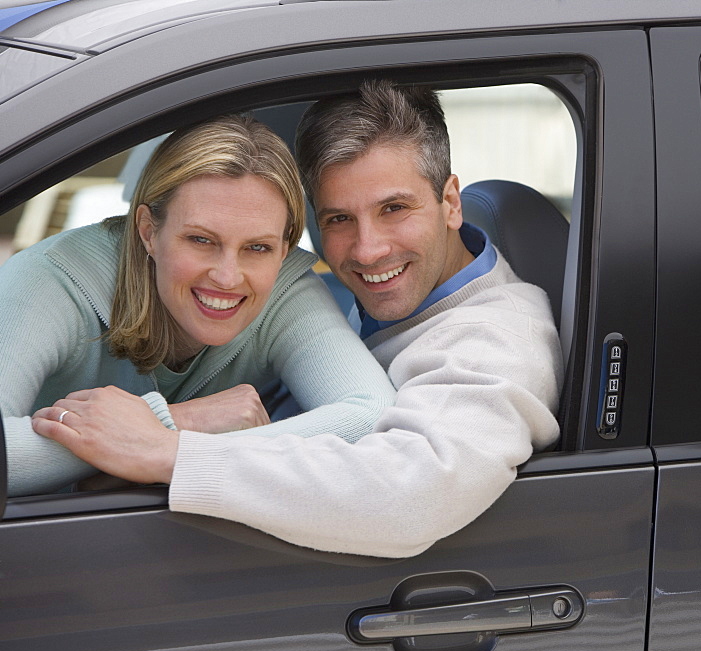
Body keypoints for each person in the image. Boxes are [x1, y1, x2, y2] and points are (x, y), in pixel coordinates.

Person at [33, 80, 563, 558]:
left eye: (394, 209)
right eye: (338, 219)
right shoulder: (373, 304)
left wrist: (170, 452)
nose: (368, 249)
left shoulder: (498, 338)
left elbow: (409, 494)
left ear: (450, 202)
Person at [5, 114, 395, 496]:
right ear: (148, 232)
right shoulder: (53, 279)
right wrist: (183, 420)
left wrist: (163, 449)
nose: (228, 277)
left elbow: (372, 416)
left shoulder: (284, 289)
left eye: (257, 247)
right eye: (201, 240)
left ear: (283, 250)